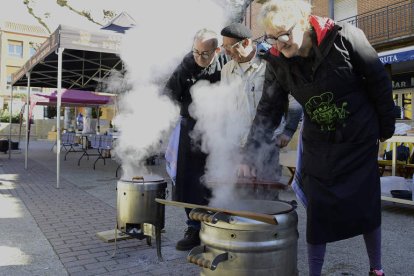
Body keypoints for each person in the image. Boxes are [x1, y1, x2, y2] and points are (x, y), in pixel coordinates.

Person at [240, 1, 395, 275]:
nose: (279, 43)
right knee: (319, 213)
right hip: (319, 145)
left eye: (284, 34)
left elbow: (379, 81)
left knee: (366, 207)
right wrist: (251, 153)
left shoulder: (344, 37)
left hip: (358, 138)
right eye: (272, 38)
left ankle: (377, 269)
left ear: (302, 21)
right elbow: (268, 109)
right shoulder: (277, 60)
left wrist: (384, 131)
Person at [220, 23, 302, 198]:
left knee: (268, 194)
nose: (226, 52)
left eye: (230, 46)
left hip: (268, 143)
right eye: (224, 46)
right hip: (238, 146)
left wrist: (288, 130)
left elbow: (295, 99)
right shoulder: (227, 70)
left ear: (247, 42)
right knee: (241, 195)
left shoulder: (271, 63)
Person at [164, 28, 227, 251]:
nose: (199, 57)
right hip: (190, 126)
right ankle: (193, 227)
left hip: (219, 128)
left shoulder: (226, 63)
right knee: (188, 180)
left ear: (217, 51)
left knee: (216, 178)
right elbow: (168, 95)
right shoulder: (186, 65)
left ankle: (214, 227)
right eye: (196, 52)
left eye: (205, 53)